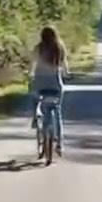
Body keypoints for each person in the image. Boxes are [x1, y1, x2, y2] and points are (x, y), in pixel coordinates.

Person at [29, 25, 69, 155]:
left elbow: (32, 64)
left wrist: (31, 74)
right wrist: (66, 73)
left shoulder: (38, 48)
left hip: (40, 83)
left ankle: (35, 116)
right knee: (57, 113)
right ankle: (59, 145)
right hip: (55, 84)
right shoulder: (60, 48)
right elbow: (65, 66)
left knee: (34, 95)